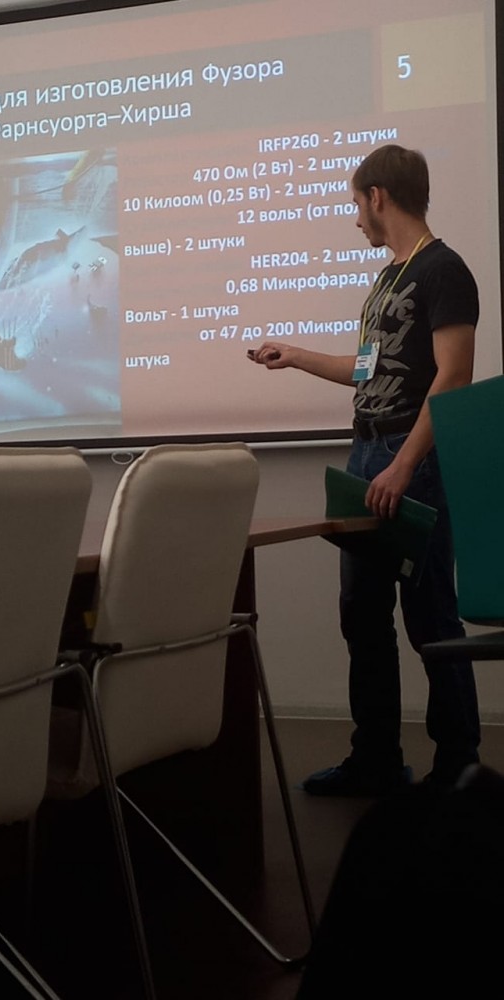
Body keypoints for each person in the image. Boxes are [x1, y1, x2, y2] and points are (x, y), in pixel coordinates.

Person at [248, 144, 481, 794]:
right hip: (366, 454)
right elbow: (366, 371)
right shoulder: (386, 279)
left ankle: (459, 767)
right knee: (362, 612)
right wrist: (295, 356)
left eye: (356, 203)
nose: (355, 218)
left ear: (378, 196)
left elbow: (454, 376)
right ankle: (376, 759)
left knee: (431, 618)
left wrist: (405, 464)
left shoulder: (444, 270)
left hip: (414, 458)